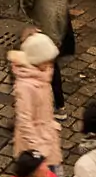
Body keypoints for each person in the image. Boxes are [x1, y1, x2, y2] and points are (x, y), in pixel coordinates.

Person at [8, 30, 61, 167]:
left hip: (46, 136)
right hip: (36, 145)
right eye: (47, 61)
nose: (50, 65)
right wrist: (36, 149)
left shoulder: (43, 75)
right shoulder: (25, 87)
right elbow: (24, 119)